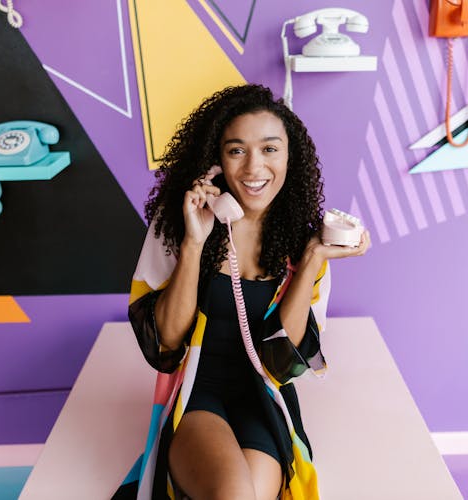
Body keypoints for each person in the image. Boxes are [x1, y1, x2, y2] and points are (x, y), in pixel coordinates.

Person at [115, 84, 369, 500]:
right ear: (216, 160)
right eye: (237, 150)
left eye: (270, 149)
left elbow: (282, 365)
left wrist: (312, 261)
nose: (255, 167)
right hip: (198, 392)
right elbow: (165, 347)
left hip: (264, 397)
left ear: (291, 156)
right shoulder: (176, 224)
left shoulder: (301, 241)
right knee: (233, 493)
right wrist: (194, 243)